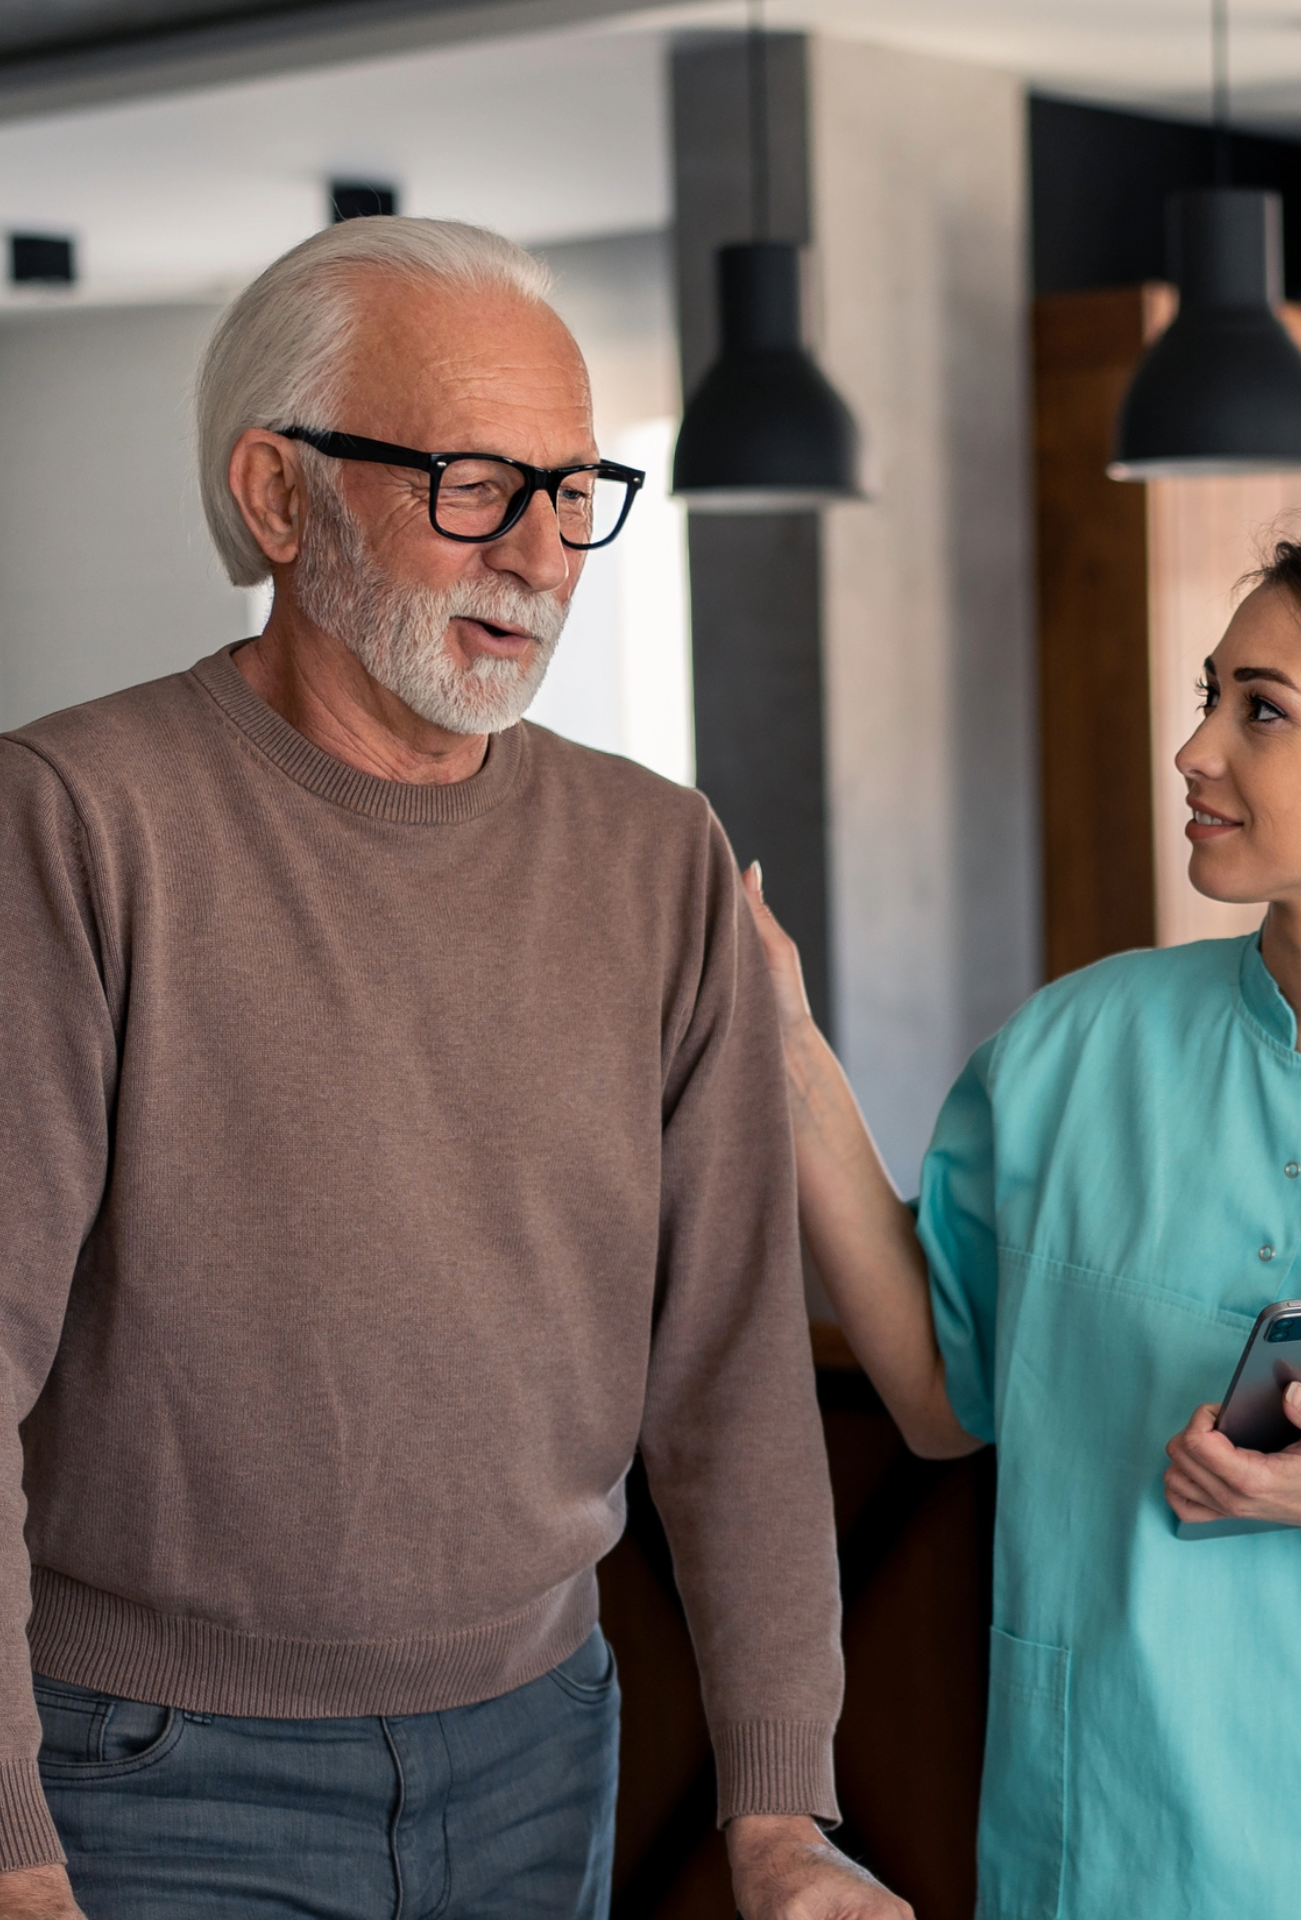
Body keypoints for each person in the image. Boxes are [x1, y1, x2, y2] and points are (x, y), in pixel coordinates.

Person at [0, 217, 911, 1920]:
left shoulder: (660, 857)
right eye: (478, 485)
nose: (547, 556)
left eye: (575, 492)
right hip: (142, 1777)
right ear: (280, 497)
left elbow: (729, 1368)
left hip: (542, 1744)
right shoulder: (71, 822)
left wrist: (784, 1806)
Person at [747, 521, 1301, 1919]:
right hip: (1103, 1831)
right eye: (1209, 695)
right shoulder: (1075, 1048)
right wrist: (787, 1045)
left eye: (1261, 710)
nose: (1196, 749)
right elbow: (934, 1400)